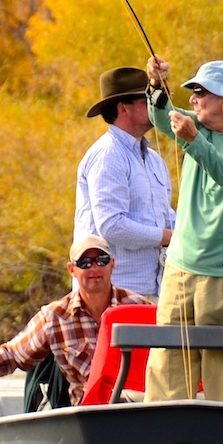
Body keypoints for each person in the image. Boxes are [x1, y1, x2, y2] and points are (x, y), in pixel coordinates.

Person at [142, 56, 223, 403]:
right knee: (166, 381)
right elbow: (160, 113)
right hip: (181, 275)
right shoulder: (192, 129)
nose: (192, 99)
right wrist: (156, 84)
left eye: (200, 91)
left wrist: (194, 142)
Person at [0, 233, 151, 410]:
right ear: (72, 270)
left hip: (138, 411)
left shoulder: (140, 307)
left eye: (100, 260)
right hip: (87, 418)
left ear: (112, 264)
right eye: (84, 262)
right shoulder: (54, 317)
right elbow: (10, 355)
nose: (93, 268)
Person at [74, 65, 175, 296]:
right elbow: (111, 225)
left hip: (152, 290)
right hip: (113, 295)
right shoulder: (108, 154)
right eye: (145, 100)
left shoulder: (154, 160)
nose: (153, 106)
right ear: (123, 108)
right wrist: (169, 237)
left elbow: (165, 216)